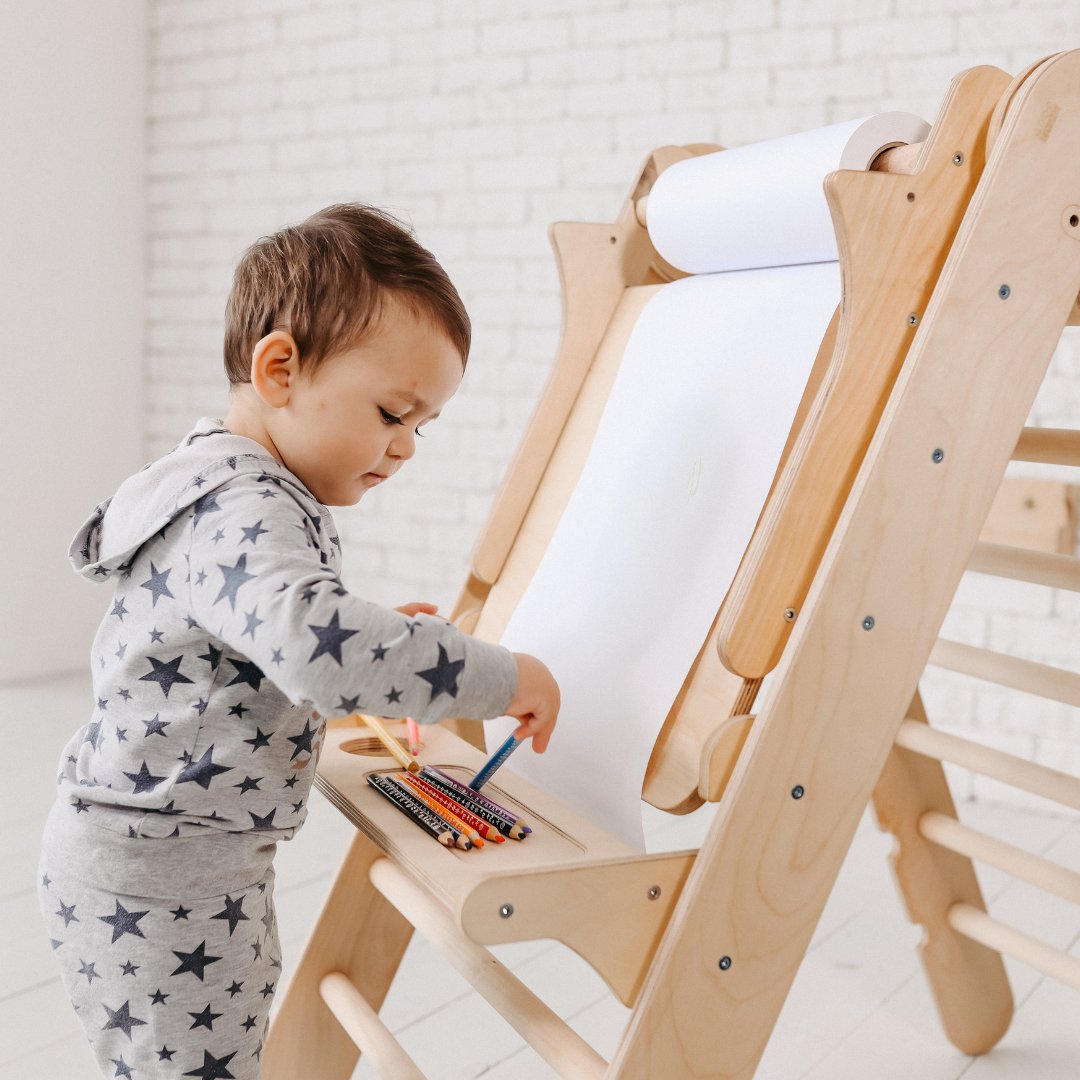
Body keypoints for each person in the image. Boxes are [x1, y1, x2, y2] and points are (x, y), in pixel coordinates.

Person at [37, 203, 560, 1080]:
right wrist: (504, 678)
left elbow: (259, 636)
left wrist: (381, 628)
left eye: (422, 426)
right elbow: (321, 651)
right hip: (165, 883)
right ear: (279, 368)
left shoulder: (217, 486)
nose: (406, 448)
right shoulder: (245, 503)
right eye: (393, 412)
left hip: (151, 864)